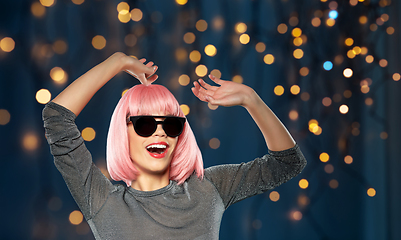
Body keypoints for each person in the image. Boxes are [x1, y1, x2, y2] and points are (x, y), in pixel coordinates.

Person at [43, 52, 306, 239]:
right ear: (123, 133)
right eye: (145, 124)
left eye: (171, 125)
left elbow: (287, 163)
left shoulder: (209, 188)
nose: (160, 132)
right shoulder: (101, 201)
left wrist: (252, 100)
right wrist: (117, 62)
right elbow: (57, 118)